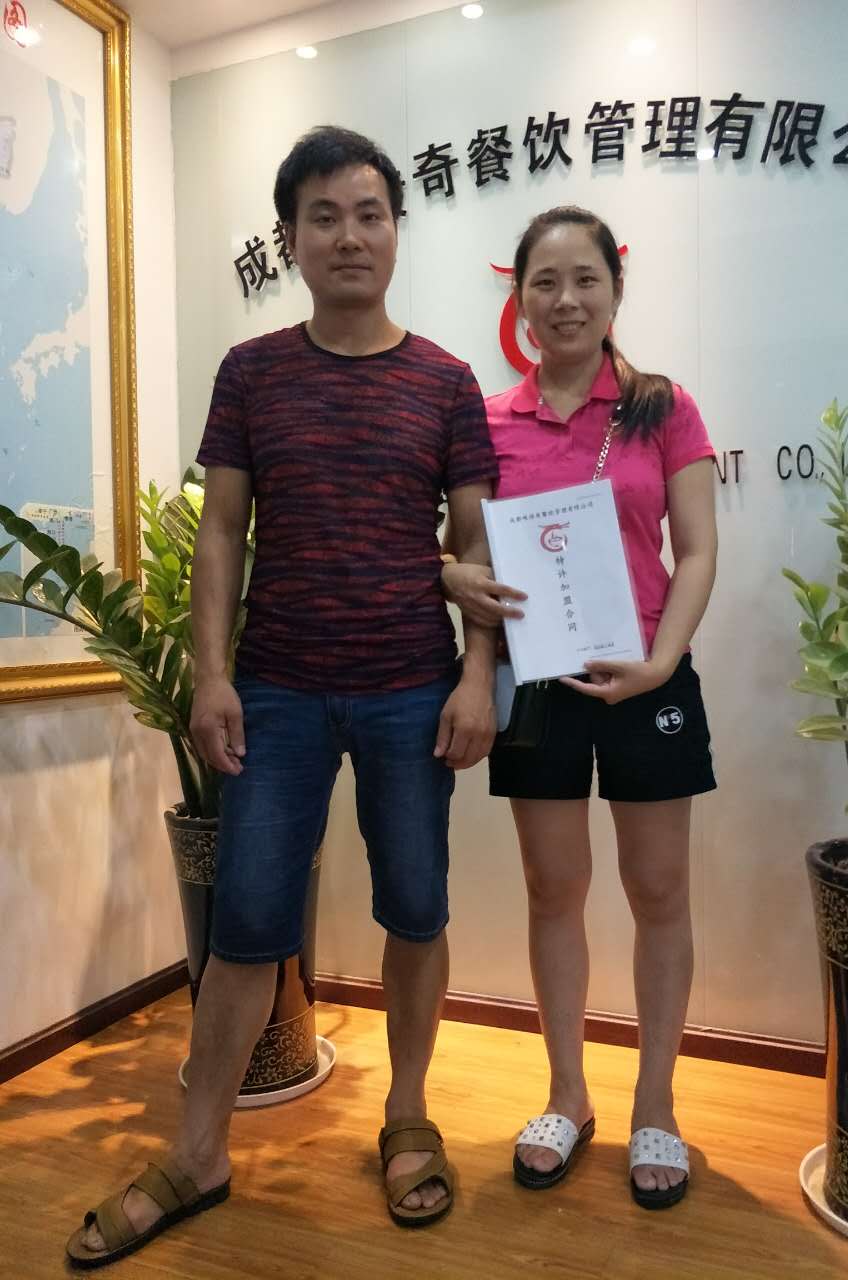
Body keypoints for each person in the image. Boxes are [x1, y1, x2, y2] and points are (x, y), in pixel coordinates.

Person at [66, 126, 499, 1268]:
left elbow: (476, 546)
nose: (350, 235)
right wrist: (211, 674)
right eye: (324, 216)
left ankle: (407, 1115)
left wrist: (476, 675)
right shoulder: (252, 371)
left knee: (417, 908)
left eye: (370, 213)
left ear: (397, 230)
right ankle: (198, 1150)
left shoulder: (448, 382)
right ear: (292, 238)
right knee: (249, 922)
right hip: (278, 691)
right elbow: (220, 531)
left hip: (411, 687)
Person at [442, 206, 717, 1209]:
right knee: (553, 890)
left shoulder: (661, 406)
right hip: (538, 686)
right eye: (545, 282)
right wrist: (447, 577)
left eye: (585, 279)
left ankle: (656, 1104)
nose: (566, 299)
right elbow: (464, 552)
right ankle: (567, 1092)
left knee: (659, 891)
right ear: (518, 298)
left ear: (615, 290)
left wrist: (659, 662)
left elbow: (698, 550)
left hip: (649, 680)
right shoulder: (486, 419)